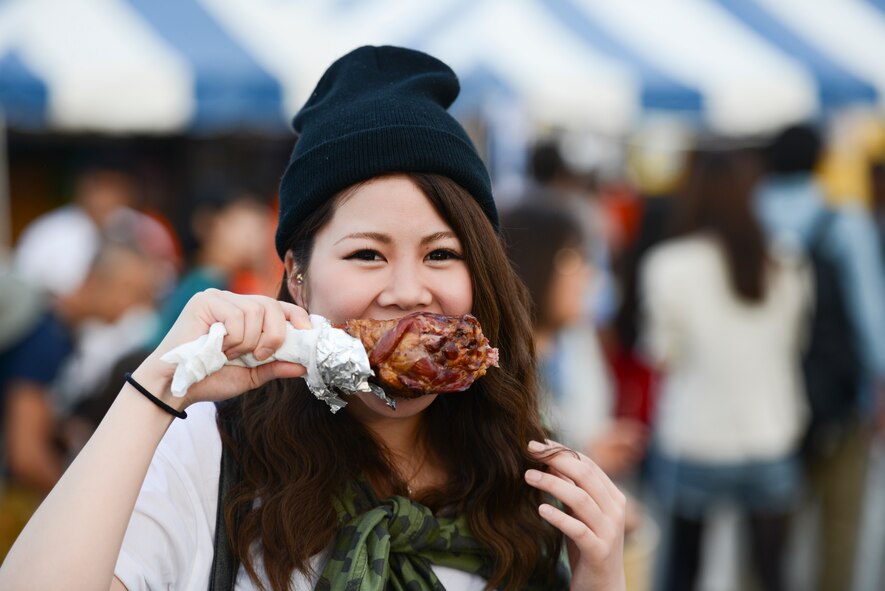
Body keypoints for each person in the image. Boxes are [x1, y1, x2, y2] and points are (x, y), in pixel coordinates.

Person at [0, 46, 626, 591]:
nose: (408, 291)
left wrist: (600, 580)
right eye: (366, 254)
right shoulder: (210, 454)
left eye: (441, 254)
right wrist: (157, 389)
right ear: (298, 276)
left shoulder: (523, 479)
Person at [641, 150, 809, 591]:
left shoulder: (668, 264)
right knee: (774, 572)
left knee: (682, 570)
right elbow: (795, 345)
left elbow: (661, 354)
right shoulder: (785, 261)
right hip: (770, 430)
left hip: (695, 435)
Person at [755, 124, 885, 591]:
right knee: (839, 531)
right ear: (819, 161)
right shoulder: (844, 222)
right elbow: (870, 318)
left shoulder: (748, 216)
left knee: (768, 541)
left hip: (768, 400)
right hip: (836, 401)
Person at [501, 201, 646, 478]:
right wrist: (587, 457)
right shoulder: (501, 372)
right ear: (530, 264)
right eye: (570, 258)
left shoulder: (572, 340)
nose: (588, 273)